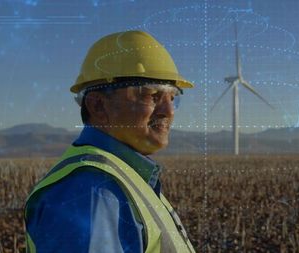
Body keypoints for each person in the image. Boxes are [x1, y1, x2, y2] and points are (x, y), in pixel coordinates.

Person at [24, 30, 196, 253]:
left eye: (173, 98)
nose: (169, 111)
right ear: (98, 106)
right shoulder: (92, 192)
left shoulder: (122, 178)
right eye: (152, 96)